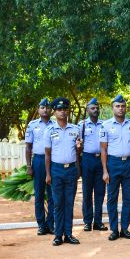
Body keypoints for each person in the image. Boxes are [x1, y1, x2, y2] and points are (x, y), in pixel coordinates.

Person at [100, 94, 130, 240]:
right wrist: (105, 171)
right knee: (112, 198)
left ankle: (125, 228)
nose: (120, 108)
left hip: (129, 164)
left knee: (127, 198)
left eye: (123, 106)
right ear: (113, 108)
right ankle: (114, 230)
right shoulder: (106, 125)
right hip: (113, 164)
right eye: (117, 106)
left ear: (126, 108)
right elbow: (103, 149)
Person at [44, 97, 82, 246]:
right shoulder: (50, 130)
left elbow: (78, 152)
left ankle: (69, 234)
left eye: (65, 109)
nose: (62, 112)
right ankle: (58, 235)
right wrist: (48, 174)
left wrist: (79, 150)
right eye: (59, 109)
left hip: (71, 169)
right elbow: (47, 154)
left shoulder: (75, 129)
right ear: (54, 112)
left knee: (69, 203)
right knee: (58, 203)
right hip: (56, 170)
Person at [25, 98, 55, 235]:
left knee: (52, 195)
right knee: (39, 195)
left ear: (51, 110)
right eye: (43, 107)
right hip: (38, 161)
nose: (45, 110)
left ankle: (51, 224)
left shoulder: (55, 125)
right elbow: (28, 147)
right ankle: (41, 225)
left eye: (48, 108)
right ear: (38, 109)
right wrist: (29, 166)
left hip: (53, 161)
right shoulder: (32, 125)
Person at [78, 98, 108, 232]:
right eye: (92, 108)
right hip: (87, 160)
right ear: (87, 110)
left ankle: (98, 222)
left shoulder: (104, 125)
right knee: (87, 192)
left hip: (101, 160)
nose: (95, 110)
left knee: (100, 192)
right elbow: (78, 145)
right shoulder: (82, 125)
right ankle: (87, 222)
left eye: (97, 108)